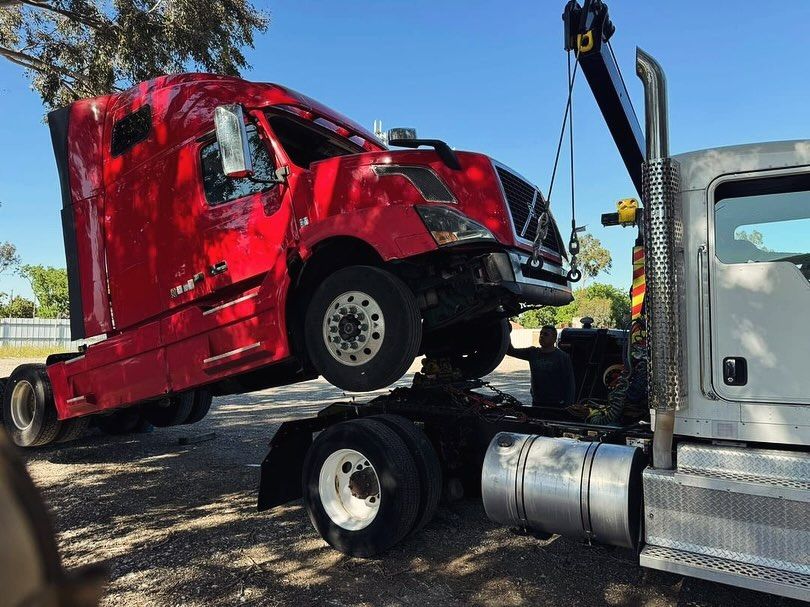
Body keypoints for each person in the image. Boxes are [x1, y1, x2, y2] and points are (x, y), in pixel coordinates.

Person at [507, 325, 576, 408]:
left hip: (557, 404)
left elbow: (570, 383)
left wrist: (568, 406)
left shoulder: (562, 357)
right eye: (541, 334)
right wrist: (507, 331)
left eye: (546, 334)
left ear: (554, 338)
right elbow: (510, 351)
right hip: (537, 402)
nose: (542, 336)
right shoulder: (532, 352)